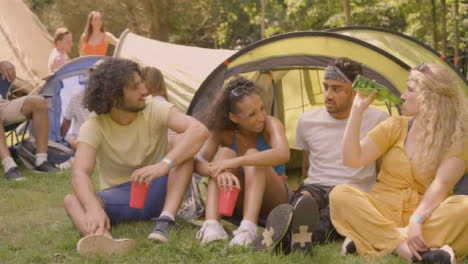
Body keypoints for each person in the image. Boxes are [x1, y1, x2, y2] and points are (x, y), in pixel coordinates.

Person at [63, 58, 209, 257]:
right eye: (135, 87)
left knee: (182, 146)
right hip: (122, 198)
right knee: (72, 200)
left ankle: (165, 222)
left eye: (141, 82)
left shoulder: (154, 108)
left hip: (160, 189)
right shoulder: (94, 124)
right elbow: (80, 172)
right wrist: (93, 208)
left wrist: (164, 165)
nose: (144, 90)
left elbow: (198, 130)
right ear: (114, 96)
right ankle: (103, 239)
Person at [330, 63, 468, 263]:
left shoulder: (459, 137)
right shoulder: (395, 125)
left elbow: (441, 186)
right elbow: (352, 159)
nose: (402, 95)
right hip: (382, 210)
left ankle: (370, 239)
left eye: (410, 90)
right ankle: (407, 250)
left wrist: (416, 219)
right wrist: (356, 111)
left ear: (431, 98)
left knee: (464, 206)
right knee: (340, 194)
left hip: (425, 217)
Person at [257, 58, 389, 252]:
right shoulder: (307, 121)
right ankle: (290, 232)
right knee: (302, 202)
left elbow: (382, 169)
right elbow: (306, 168)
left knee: (326, 222)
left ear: (355, 92)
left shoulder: (379, 120)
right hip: (316, 186)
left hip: (351, 191)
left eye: (336, 89)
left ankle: (280, 240)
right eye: (326, 87)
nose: (328, 95)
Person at [194, 76, 290, 247]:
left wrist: (238, 161)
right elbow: (199, 160)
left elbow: (283, 154)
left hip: (274, 202)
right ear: (234, 117)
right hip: (239, 200)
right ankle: (212, 226)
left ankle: (248, 229)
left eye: (262, 108)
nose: (261, 116)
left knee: (253, 156)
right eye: (252, 114)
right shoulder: (223, 132)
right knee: (224, 154)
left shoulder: (271, 124)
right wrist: (218, 171)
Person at [0, 60, 57, 181]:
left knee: (39, 102)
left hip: (2, 104)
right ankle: (9, 164)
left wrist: (2, 63)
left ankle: (41, 160)